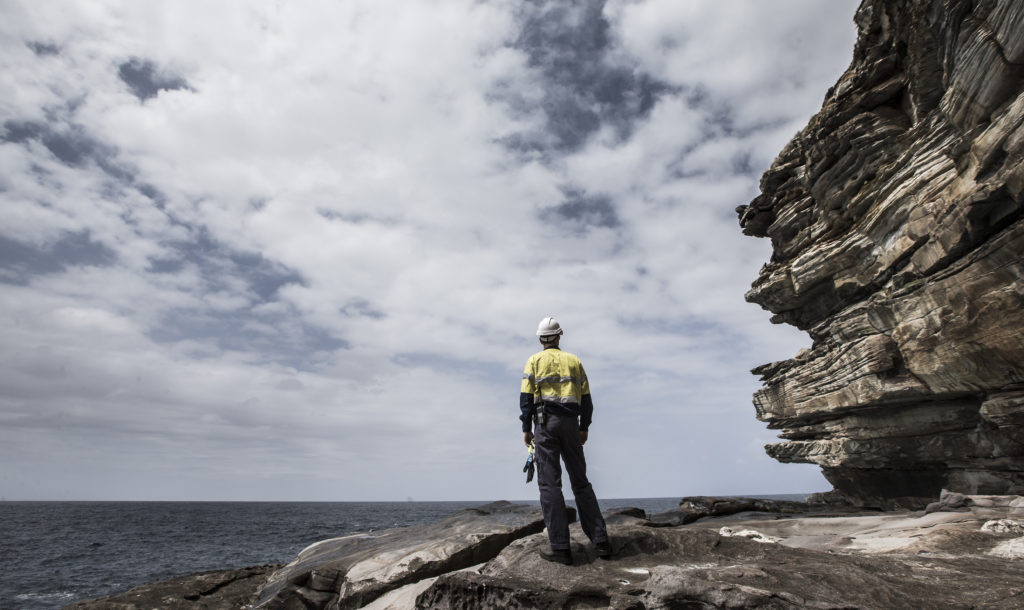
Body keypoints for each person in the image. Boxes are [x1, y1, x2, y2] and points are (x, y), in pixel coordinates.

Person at [520, 316, 611, 564]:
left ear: (540, 338)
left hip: (545, 425)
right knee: (580, 482)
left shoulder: (534, 361)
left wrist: (526, 428)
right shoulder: (574, 361)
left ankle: (560, 546)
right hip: (571, 425)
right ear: (559, 336)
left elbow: (526, 398)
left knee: (550, 484)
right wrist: (584, 427)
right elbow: (587, 399)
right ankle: (601, 542)